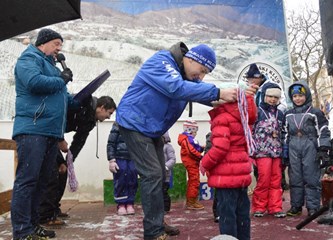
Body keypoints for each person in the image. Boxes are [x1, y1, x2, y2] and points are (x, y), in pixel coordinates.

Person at [115, 41, 257, 240]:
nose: (202, 75)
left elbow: (203, 92)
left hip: (152, 128)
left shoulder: (185, 75)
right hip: (134, 122)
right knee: (153, 174)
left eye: (206, 72)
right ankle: (153, 231)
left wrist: (236, 94)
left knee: (159, 173)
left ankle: (157, 221)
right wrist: (218, 93)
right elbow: (176, 88)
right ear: (190, 59)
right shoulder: (161, 61)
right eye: (202, 69)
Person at [11, 28, 74, 240]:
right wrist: (62, 79)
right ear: (43, 43)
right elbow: (34, 83)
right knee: (27, 180)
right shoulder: (29, 58)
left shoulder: (52, 67)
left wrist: (80, 99)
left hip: (49, 132)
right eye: (56, 44)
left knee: (42, 181)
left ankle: (33, 224)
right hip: (32, 129)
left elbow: (62, 97)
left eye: (61, 45)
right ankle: (21, 231)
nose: (59, 49)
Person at [39, 96, 116, 225]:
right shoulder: (82, 103)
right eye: (109, 113)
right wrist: (60, 138)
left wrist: (68, 161)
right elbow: (58, 114)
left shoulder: (91, 120)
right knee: (52, 174)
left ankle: (52, 209)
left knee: (62, 171)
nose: (109, 117)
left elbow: (79, 141)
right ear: (102, 107)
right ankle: (45, 217)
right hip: (45, 132)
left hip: (53, 137)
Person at [200, 90, 257, 240]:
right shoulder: (242, 117)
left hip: (226, 175)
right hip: (241, 171)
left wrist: (205, 163)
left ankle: (229, 238)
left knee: (227, 214)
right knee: (242, 213)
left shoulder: (222, 118)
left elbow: (220, 147)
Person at [282, 81, 331, 217]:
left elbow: (323, 130)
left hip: (310, 147)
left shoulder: (315, 113)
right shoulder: (288, 114)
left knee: (311, 178)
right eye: (295, 96)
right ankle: (296, 206)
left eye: (301, 96)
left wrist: (323, 148)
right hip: (293, 148)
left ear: (307, 96)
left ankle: (313, 207)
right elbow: (284, 133)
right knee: (295, 178)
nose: (298, 99)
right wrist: (285, 152)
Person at [251, 83, 286, 218]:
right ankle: (259, 207)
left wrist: (284, 151)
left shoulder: (281, 114)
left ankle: (275, 207)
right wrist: (251, 152)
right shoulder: (257, 111)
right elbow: (251, 132)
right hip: (262, 152)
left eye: (275, 97)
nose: (272, 99)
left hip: (277, 152)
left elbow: (283, 133)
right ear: (264, 96)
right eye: (270, 96)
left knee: (276, 181)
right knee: (263, 180)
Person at [107, 121, 138, 215]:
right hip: (120, 157)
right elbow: (111, 143)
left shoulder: (136, 123)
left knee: (132, 179)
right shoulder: (117, 125)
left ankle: (130, 202)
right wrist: (111, 159)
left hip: (133, 157)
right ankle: (121, 203)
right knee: (121, 179)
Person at [178, 120, 205, 210]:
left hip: (192, 162)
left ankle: (192, 200)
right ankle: (191, 202)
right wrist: (201, 157)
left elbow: (194, 148)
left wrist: (201, 148)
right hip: (191, 163)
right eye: (195, 130)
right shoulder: (186, 139)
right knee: (194, 181)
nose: (196, 133)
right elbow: (191, 152)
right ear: (190, 130)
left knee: (193, 181)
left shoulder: (188, 139)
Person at [162, 131, 176, 213]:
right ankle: (158, 207)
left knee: (164, 192)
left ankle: (165, 208)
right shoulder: (154, 147)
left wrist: (166, 166)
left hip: (165, 174)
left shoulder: (168, 147)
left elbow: (172, 159)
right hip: (156, 174)